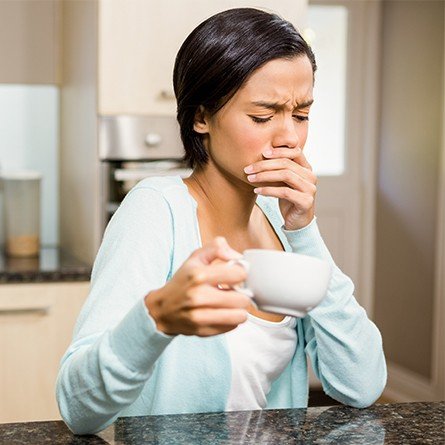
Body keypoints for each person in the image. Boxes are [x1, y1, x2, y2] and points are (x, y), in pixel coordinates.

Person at [56, 8, 386, 435]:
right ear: (201, 117)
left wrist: (305, 231)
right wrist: (155, 319)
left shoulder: (279, 221)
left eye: (301, 115)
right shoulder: (155, 210)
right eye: (263, 117)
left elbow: (361, 385)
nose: (289, 137)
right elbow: (77, 408)